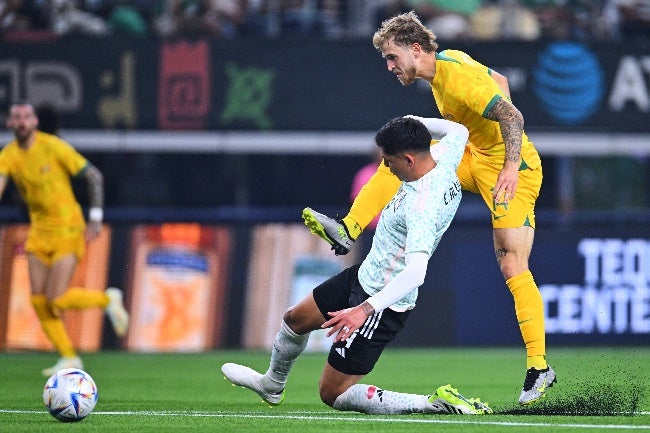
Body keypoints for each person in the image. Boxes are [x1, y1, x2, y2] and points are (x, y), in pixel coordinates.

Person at [301, 11, 555, 406]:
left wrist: (508, 165)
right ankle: (348, 226)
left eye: (391, 57)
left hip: (513, 168)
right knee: (402, 157)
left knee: (512, 265)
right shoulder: (447, 64)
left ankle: (539, 367)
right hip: (473, 156)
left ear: (415, 49)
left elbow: (512, 115)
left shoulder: (457, 79)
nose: (389, 66)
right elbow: (501, 84)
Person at [222, 116, 492, 415]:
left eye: (389, 162)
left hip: (382, 301)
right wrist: (409, 121)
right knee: (295, 320)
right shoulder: (443, 154)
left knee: (332, 392)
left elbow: (417, 272)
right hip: (364, 275)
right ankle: (272, 385)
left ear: (408, 159)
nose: (385, 168)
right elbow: (459, 130)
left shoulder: (422, 207)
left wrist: (362, 310)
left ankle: (432, 403)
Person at [0, 102, 129, 376]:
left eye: (26, 117)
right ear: (10, 124)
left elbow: (94, 176)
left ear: (34, 122)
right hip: (39, 232)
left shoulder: (53, 147)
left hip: (69, 229)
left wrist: (95, 217)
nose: (21, 122)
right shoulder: (8, 155)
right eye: (16, 118)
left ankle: (107, 301)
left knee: (56, 299)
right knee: (38, 300)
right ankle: (69, 357)